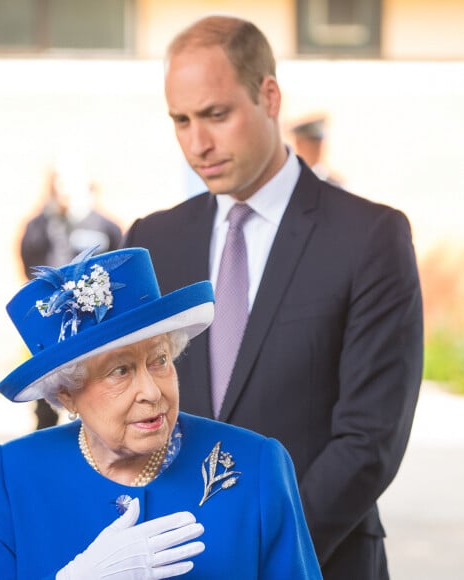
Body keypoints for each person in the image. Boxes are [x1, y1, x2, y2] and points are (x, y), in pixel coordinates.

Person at [122, 15, 423, 580]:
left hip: (320, 559)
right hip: (172, 560)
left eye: (216, 115)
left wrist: (263, 551)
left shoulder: (369, 237)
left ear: (270, 95)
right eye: (180, 121)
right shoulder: (151, 241)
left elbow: (369, 440)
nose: (197, 143)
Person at [0, 247, 321, 579]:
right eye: (119, 371)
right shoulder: (14, 475)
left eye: (160, 360)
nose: (152, 392)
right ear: (67, 395)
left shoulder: (255, 464)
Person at [20, 157, 122, 429]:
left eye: (71, 182)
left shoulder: (104, 226)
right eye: (59, 182)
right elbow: (28, 266)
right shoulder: (39, 227)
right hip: (53, 322)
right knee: (48, 392)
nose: (65, 189)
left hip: (96, 323)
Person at [288, 115, 343, 185]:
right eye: (311, 143)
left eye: (319, 143)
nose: (317, 148)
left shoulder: (334, 184)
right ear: (299, 144)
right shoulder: (290, 180)